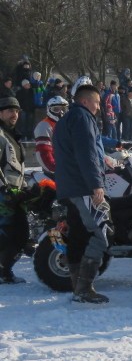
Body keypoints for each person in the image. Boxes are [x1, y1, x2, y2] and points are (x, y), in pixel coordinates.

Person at [53, 79, 112, 304]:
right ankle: (84, 288)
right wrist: (96, 185)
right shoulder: (82, 118)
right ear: (85, 101)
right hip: (83, 187)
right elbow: (86, 154)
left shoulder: (68, 119)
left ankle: (77, 286)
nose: (99, 107)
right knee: (101, 234)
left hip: (70, 186)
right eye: (97, 103)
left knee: (79, 235)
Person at [0, 96, 28, 284]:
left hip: (15, 194)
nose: (14, 114)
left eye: (17, 111)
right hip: (4, 195)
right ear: (1, 113)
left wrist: (26, 188)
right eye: (10, 110)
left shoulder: (12, 135)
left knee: (19, 234)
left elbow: (17, 167)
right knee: (9, 233)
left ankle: (4, 270)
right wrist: (4, 189)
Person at [33, 96, 69, 175]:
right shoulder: (44, 126)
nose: (61, 112)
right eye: (56, 109)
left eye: (63, 109)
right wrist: (54, 168)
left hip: (67, 168)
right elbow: (43, 153)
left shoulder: (65, 124)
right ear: (49, 109)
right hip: (55, 170)